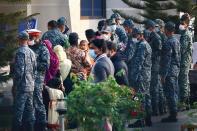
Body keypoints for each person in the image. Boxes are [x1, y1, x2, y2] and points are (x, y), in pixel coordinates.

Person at [12, 31, 36, 131]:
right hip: (31, 86)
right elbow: (35, 70)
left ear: (21, 39)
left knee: (18, 112)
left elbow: (20, 71)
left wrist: (15, 85)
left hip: (22, 87)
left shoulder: (20, 52)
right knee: (29, 112)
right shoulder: (32, 52)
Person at [27, 29, 50, 131]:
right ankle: (30, 123)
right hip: (27, 79)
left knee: (38, 101)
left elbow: (46, 65)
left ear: (36, 37)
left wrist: (33, 64)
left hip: (37, 79)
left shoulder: (43, 49)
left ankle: (42, 124)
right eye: (29, 38)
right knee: (29, 102)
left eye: (31, 38)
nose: (30, 40)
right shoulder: (28, 48)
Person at [128, 28, 152, 127]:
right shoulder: (145, 44)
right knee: (146, 97)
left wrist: (133, 77)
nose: (134, 38)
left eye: (135, 35)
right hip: (146, 76)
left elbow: (139, 63)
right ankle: (148, 120)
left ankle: (140, 120)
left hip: (140, 76)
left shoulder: (142, 45)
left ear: (140, 35)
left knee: (138, 98)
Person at [160, 22, 180, 122]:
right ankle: (174, 113)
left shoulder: (168, 42)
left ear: (167, 30)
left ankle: (173, 115)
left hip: (169, 71)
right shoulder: (176, 41)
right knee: (174, 92)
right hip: (175, 69)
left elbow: (166, 60)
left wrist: (163, 74)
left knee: (170, 93)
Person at [146, 20, 162, 116]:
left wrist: (150, 55)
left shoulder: (156, 37)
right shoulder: (151, 36)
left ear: (151, 28)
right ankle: (156, 109)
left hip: (155, 66)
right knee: (154, 88)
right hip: (152, 65)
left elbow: (159, 51)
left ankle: (156, 110)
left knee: (154, 88)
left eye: (147, 28)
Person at [178, 13, 193, 110]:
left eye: (181, 22)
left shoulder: (185, 34)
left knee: (183, 81)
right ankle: (187, 103)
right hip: (186, 61)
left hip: (184, 61)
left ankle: (183, 103)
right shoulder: (187, 33)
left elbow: (182, 49)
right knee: (186, 81)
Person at [155, 19, 167, 115]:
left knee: (159, 87)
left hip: (159, 65)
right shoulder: (161, 36)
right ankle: (161, 108)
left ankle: (162, 108)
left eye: (157, 26)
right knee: (159, 87)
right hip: (159, 64)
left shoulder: (161, 37)